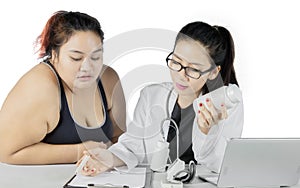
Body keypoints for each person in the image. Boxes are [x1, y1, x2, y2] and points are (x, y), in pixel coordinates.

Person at [79, 21, 244, 175]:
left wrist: (206, 133)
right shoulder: (151, 95)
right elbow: (132, 146)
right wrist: (109, 158)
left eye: (193, 69)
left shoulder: (226, 104)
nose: (181, 75)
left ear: (213, 72)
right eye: (176, 62)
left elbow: (221, 165)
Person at [0, 11, 126, 164]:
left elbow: (121, 140)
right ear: (54, 54)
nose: (87, 67)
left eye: (96, 57)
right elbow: (6, 152)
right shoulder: (40, 87)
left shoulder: (108, 79)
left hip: (95, 181)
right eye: (76, 58)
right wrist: (79, 151)